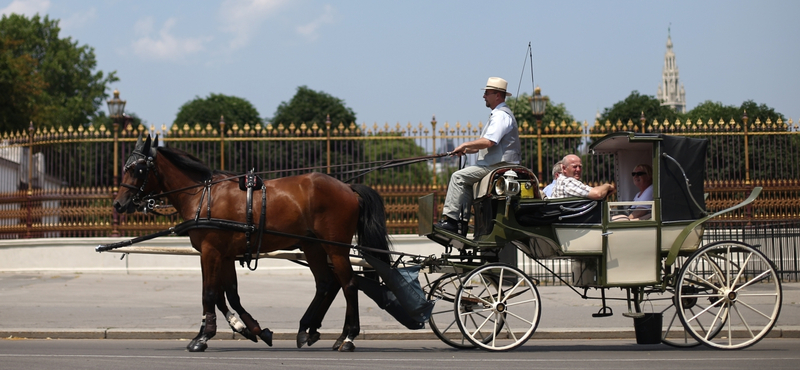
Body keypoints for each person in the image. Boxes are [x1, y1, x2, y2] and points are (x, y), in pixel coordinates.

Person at [436, 77, 521, 234]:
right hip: (494, 165)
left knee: (458, 177)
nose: (484, 96)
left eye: (487, 93)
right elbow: (486, 145)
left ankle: (452, 221)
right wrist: (466, 150)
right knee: (467, 181)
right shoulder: (498, 114)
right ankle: (462, 223)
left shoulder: (500, 115)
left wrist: (465, 145)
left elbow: (489, 142)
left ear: (497, 95)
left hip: (498, 166)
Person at [549, 154, 615, 200]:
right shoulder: (568, 182)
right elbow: (597, 194)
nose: (578, 170)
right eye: (574, 167)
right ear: (564, 168)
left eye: (580, 167)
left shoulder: (560, 182)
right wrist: (607, 186)